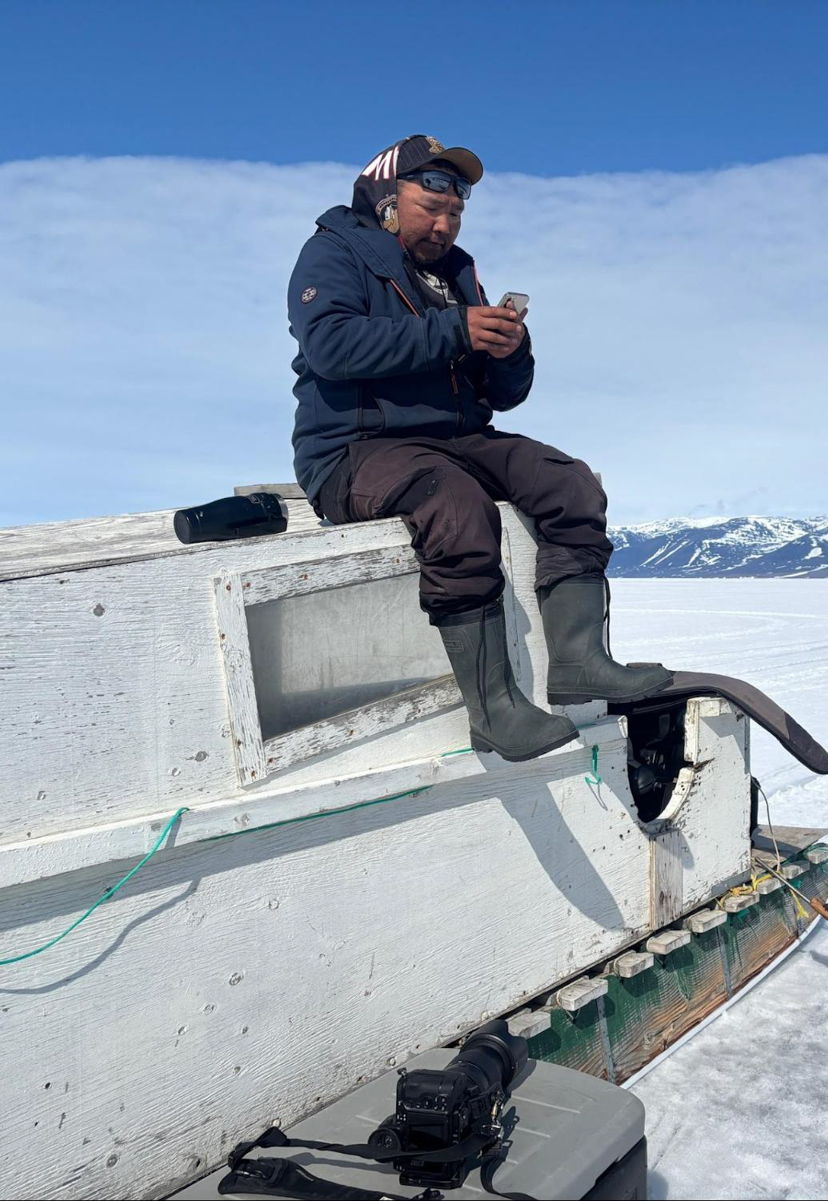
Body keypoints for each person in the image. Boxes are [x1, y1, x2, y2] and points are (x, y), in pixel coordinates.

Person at [286, 135, 670, 762]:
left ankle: (579, 662)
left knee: (567, 482)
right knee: (457, 506)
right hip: (354, 452)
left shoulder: (456, 273)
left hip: (456, 438)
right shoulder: (332, 253)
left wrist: (509, 350)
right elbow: (333, 346)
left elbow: (506, 395)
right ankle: (494, 710)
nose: (445, 224)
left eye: (455, 213)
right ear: (386, 197)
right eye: (430, 208)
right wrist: (454, 328)